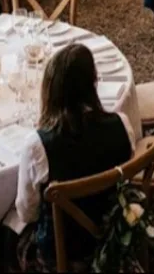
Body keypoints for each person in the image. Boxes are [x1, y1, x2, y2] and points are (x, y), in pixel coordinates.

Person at [11, 43, 136, 271]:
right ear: (94, 82)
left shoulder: (37, 146)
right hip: (114, 236)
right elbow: (126, 181)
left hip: (62, 253)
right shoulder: (122, 124)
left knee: (6, 233)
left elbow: (27, 213)